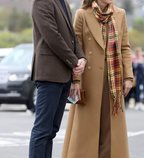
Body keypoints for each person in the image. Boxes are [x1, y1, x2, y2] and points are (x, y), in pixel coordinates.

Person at [62, 0, 134, 158]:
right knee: (86, 129)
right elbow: (76, 47)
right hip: (89, 79)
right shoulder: (82, 14)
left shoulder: (120, 14)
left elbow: (125, 47)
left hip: (113, 80)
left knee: (110, 129)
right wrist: (76, 81)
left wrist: (128, 76)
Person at [29, 0, 87, 157]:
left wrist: (81, 57)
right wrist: (74, 60)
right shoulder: (42, 2)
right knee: (42, 130)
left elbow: (72, 36)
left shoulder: (63, 2)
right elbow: (52, 36)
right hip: (49, 74)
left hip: (64, 74)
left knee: (52, 130)